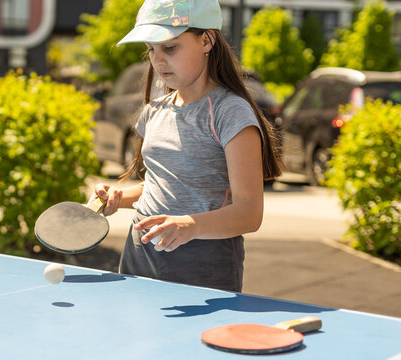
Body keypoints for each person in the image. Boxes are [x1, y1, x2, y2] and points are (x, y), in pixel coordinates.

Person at [89, 0, 283, 292]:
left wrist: (191, 225)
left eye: (170, 47)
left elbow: (250, 212)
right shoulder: (154, 110)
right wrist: (120, 196)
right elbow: (166, 184)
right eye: (151, 49)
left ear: (206, 40)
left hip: (202, 268)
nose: (158, 60)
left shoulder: (230, 112)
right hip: (138, 257)